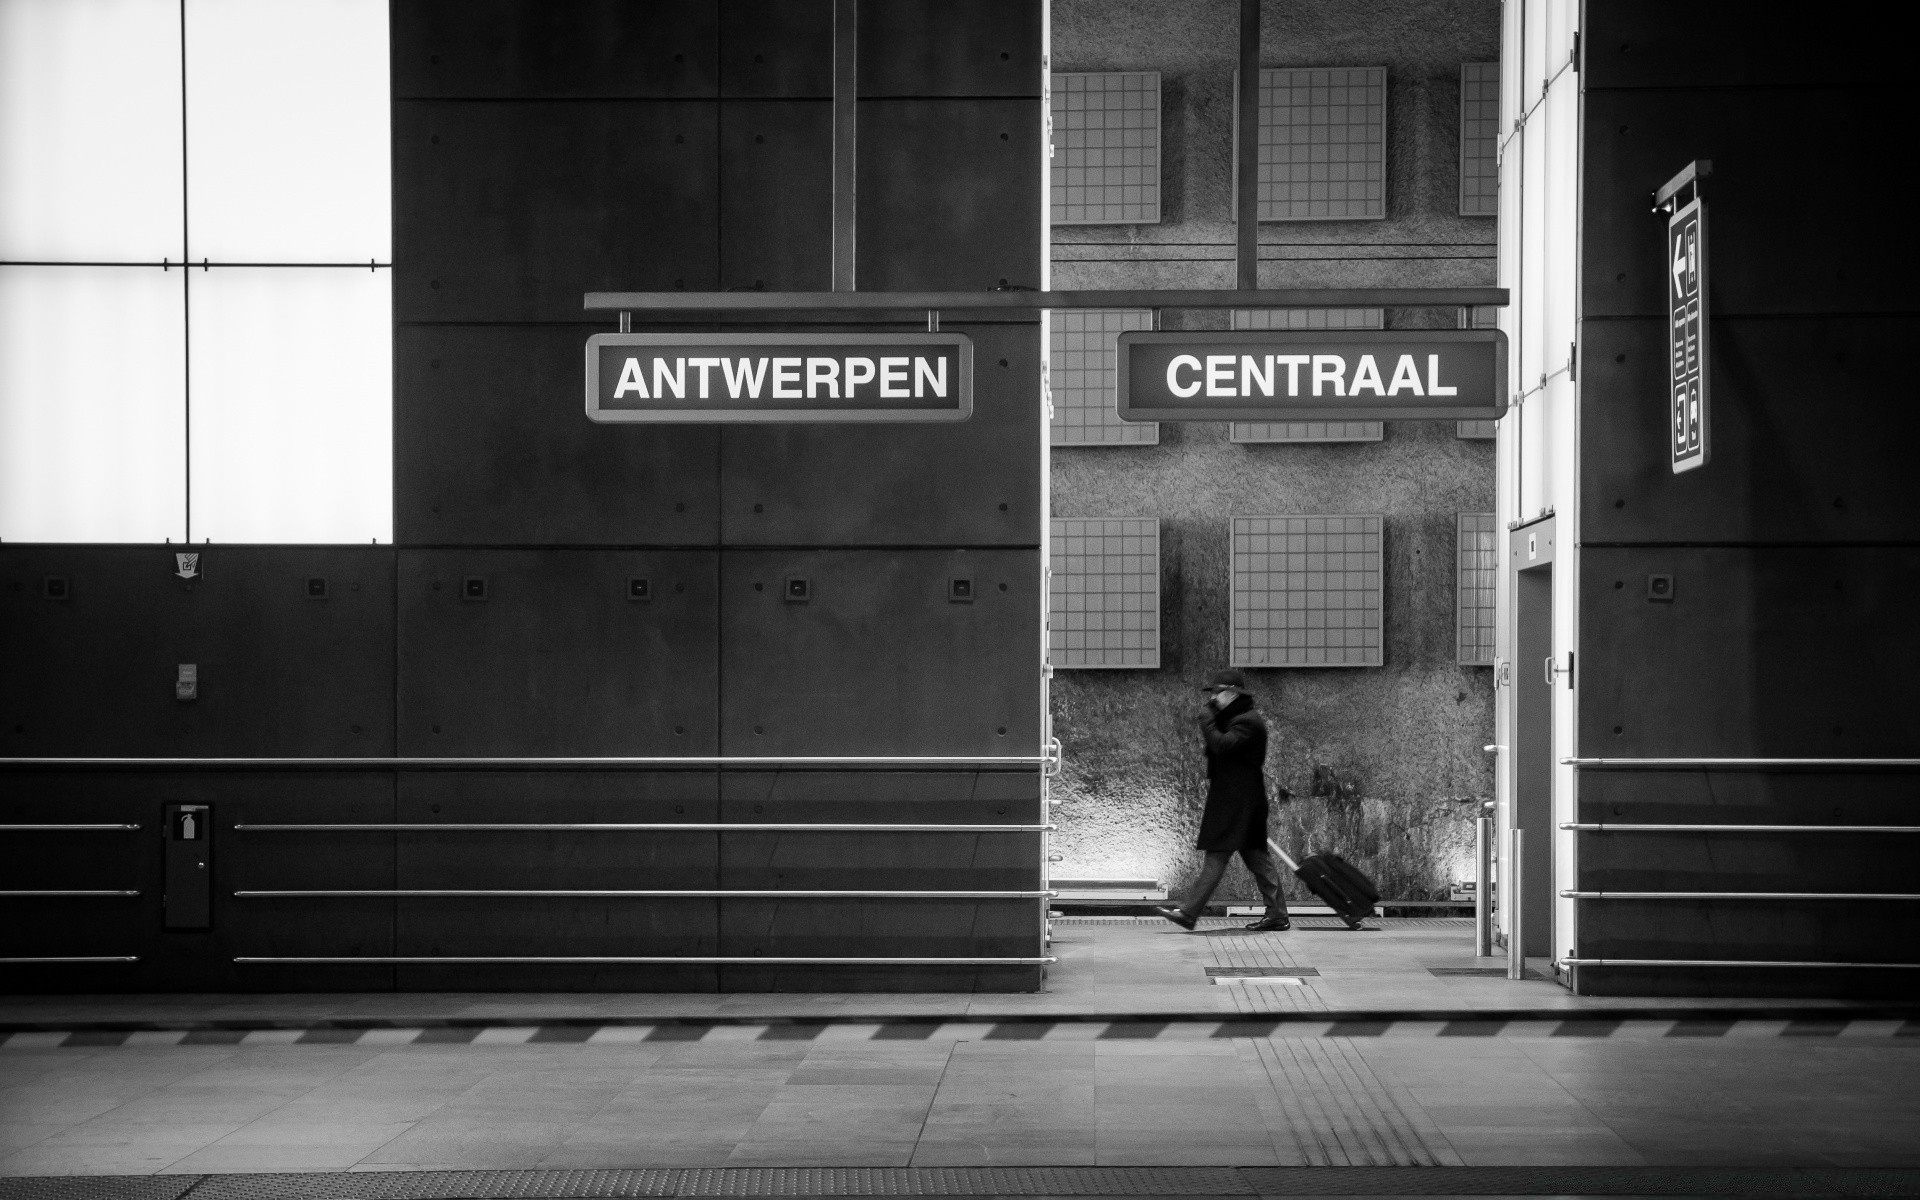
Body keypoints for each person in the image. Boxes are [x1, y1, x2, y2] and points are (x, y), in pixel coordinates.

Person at [1154, 669, 1290, 932]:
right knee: (1256, 859)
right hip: (1236, 802)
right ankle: (1276, 914)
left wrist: (1207, 722)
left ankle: (1189, 913)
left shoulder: (1248, 722)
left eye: (1218, 692)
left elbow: (1221, 745)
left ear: (1233, 693)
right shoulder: (1236, 718)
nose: (1213, 698)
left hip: (1239, 805)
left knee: (1221, 857)